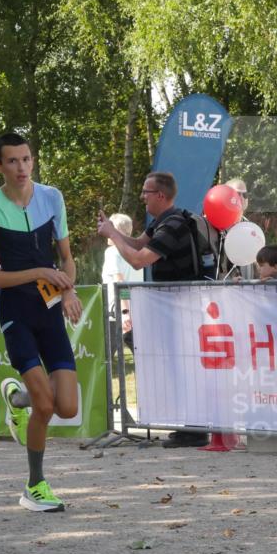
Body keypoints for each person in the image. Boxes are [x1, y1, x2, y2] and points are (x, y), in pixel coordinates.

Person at [0, 133, 83, 512]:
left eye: (26, 159)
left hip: (50, 308)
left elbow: (67, 259)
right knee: (46, 403)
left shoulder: (52, 198)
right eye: (12, 161)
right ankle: (35, 486)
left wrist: (67, 289)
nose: (21, 168)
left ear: (33, 161)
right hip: (16, 312)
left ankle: (15, 398)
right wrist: (40, 270)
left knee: (66, 407)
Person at [97, 171, 210, 448]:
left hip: (182, 306)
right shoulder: (164, 221)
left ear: (160, 195)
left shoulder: (173, 225)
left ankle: (196, 430)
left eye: (146, 193)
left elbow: (138, 260)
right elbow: (137, 244)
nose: (143, 198)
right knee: (178, 364)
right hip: (173, 306)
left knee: (185, 365)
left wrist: (112, 233)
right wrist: (116, 235)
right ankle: (190, 427)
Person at [102, 213, 142, 355]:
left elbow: (120, 282)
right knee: (140, 353)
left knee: (105, 356)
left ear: (116, 231)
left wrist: (125, 312)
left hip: (117, 311)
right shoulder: (137, 251)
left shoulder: (112, 252)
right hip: (136, 309)